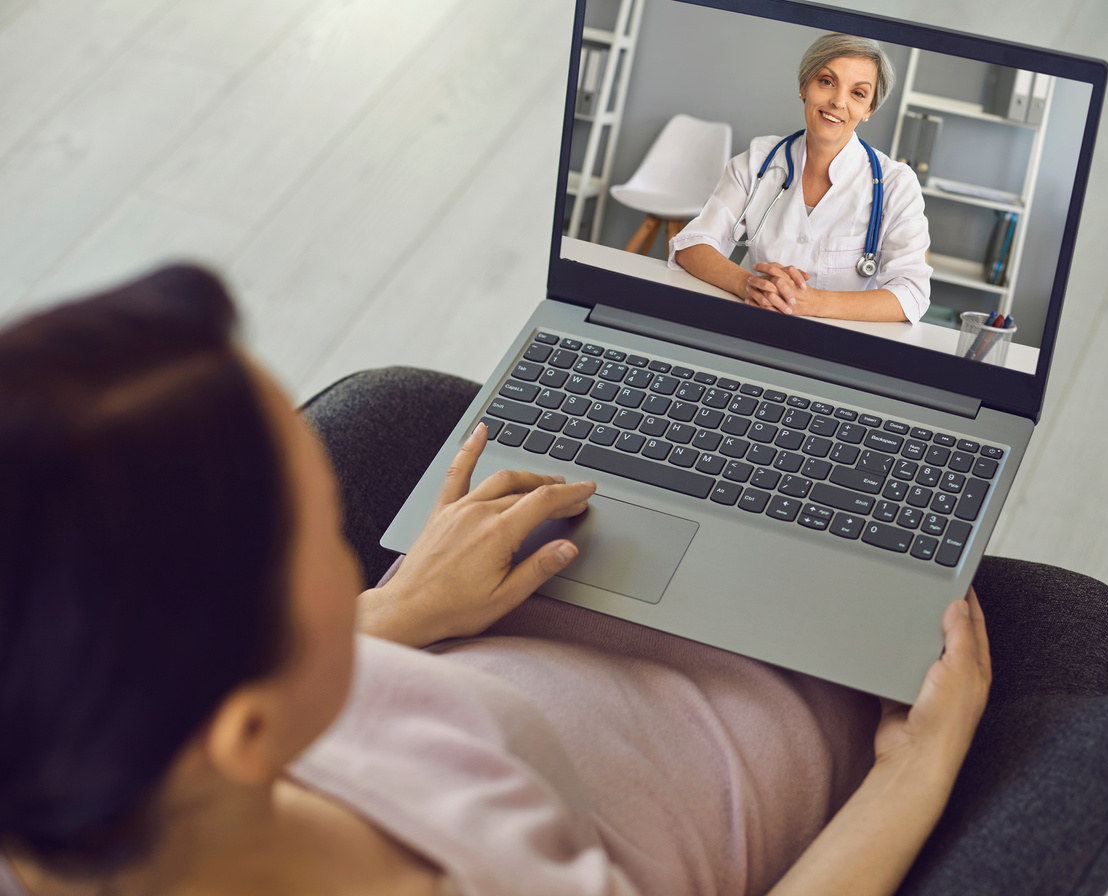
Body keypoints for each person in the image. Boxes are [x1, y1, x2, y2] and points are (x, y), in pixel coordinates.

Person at [0, 266, 988, 896]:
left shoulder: (77, 776)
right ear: (248, 731)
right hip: (757, 722)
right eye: (320, 537)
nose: (359, 556)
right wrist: (913, 772)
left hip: (525, 652)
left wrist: (398, 607)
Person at [671, 33, 932, 324]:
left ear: (869, 108)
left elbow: (911, 294)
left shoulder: (896, 185)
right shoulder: (759, 159)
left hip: (837, 347)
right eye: (826, 81)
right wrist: (748, 284)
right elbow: (692, 244)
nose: (838, 102)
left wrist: (812, 302)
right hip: (752, 322)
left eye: (857, 93)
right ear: (803, 86)